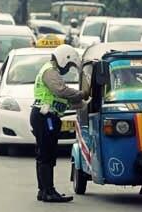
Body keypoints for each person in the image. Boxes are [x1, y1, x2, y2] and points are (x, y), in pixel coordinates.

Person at [31, 44, 88, 203]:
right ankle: (48, 191)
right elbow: (61, 91)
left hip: (47, 116)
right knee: (46, 155)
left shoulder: (50, 70)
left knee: (45, 154)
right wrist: (81, 94)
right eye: (69, 65)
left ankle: (43, 190)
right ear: (64, 59)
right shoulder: (50, 71)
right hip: (46, 117)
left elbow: (60, 101)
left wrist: (83, 103)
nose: (68, 69)